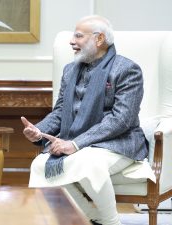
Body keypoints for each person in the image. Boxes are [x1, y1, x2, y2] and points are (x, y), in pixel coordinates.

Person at [21, 15, 150, 225]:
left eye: (78, 36)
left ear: (99, 39)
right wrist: (38, 130)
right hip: (76, 141)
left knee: (88, 162)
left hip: (118, 142)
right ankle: (92, 217)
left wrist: (75, 143)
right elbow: (61, 111)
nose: (72, 41)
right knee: (40, 164)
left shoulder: (127, 69)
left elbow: (121, 120)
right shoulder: (70, 70)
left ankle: (110, 221)